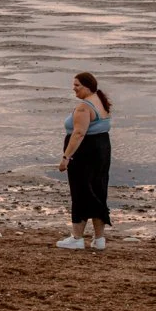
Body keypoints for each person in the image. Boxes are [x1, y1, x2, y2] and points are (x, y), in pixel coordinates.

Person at [56, 72, 112, 250]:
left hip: (85, 152)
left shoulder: (83, 107)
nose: (74, 88)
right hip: (102, 149)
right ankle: (99, 239)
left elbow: (79, 134)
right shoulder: (101, 101)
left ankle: (77, 238)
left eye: (77, 85)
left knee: (81, 192)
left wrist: (66, 157)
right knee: (98, 190)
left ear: (87, 87)